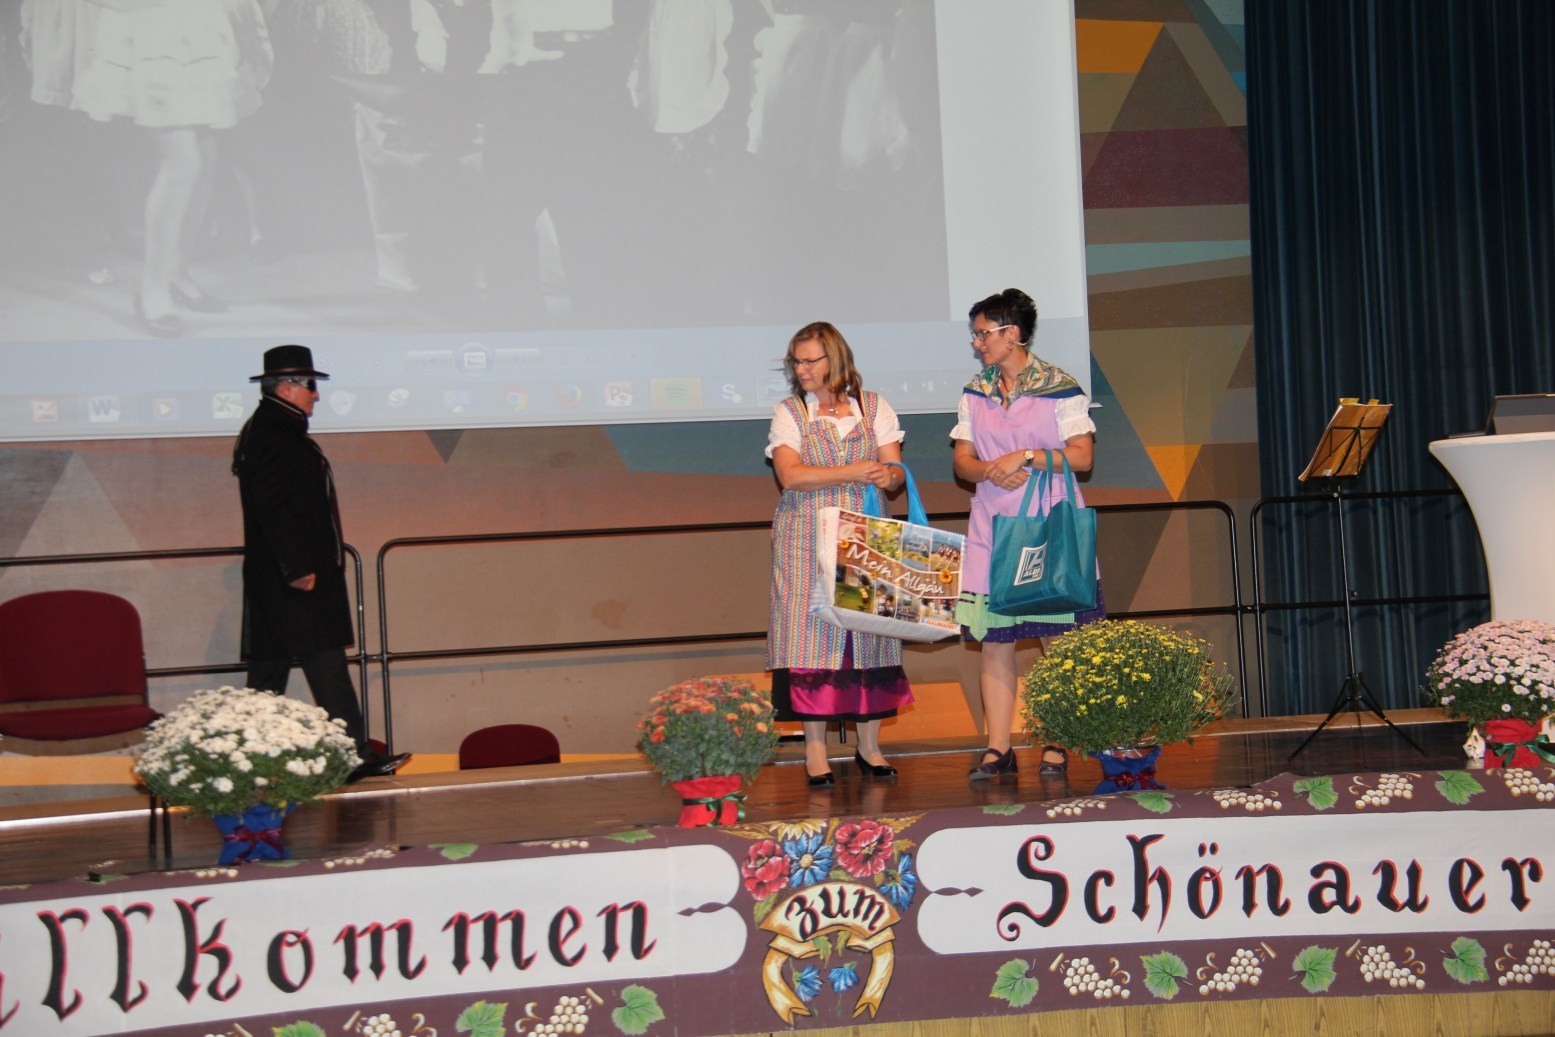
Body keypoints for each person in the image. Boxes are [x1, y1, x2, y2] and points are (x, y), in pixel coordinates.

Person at [232, 344, 408, 782]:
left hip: (289, 576)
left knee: (277, 670)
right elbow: (272, 508)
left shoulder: (276, 428)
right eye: (310, 385)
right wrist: (295, 567)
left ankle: (249, 760)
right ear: (287, 387)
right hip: (294, 578)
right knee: (318, 665)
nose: (316, 394)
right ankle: (350, 756)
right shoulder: (272, 433)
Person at [952, 288, 1104, 780]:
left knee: (1055, 640)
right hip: (993, 527)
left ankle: (1057, 740)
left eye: (983, 334)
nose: (977, 343)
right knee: (995, 641)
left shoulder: (1060, 388)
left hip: (1047, 525)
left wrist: (1027, 457)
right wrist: (988, 470)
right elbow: (963, 462)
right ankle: (998, 748)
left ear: (1011, 334)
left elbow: (1082, 457)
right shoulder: (975, 392)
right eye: (976, 334)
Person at [765, 321, 912, 786]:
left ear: (836, 359)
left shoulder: (875, 406)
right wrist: (854, 470)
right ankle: (815, 751)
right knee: (811, 639)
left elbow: (894, 469)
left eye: (811, 360)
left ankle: (870, 747)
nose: (802, 370)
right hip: (807, 537)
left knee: (870, 634)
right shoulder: (791, 412)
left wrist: (889, 476)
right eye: (796, 362)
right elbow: (791, 475)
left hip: (866, 536)